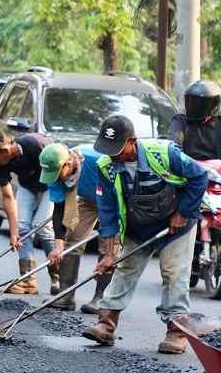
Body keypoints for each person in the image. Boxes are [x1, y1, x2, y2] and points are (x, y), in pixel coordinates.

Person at [82, 115, 207, 354]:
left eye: (118, 149)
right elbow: (107, 211)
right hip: (137, 227)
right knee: (124, 270)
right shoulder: (106, 167)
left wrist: (182, 212)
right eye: (108, 149)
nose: (113, 155)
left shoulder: (163, 153)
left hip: (176, 225)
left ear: (133, 141)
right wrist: (109, 254)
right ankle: (105, 324)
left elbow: (199, 176)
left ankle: (176, 331)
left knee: (174, 274)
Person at [0, 129, 56, 295]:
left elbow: (61, 172)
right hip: (28, 186)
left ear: (4, 150)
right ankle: (28, 280)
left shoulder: (35, 144)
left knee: (42, 226)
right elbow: (8, 196)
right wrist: (13, 232)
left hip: (52, 186)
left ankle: (58, 276)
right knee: (22, 227)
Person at [38, 143, 112, 312]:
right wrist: (58, 244)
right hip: (89, 200)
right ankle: (65, 296)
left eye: (57, 174)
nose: (54, 179)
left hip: (114, 200)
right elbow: (59, 208)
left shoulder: (98, 161)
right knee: (71, 243)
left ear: (68, 164)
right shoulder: (55, 172)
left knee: (108, 248)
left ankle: (101, 298)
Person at [168, 80, 221, 287]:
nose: (195, 105)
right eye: (192, 100)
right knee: (173, 207)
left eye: (200, 102)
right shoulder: (180, 120)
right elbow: (174, 142)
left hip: (217, 178)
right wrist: (174, 149)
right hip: (188, 177)